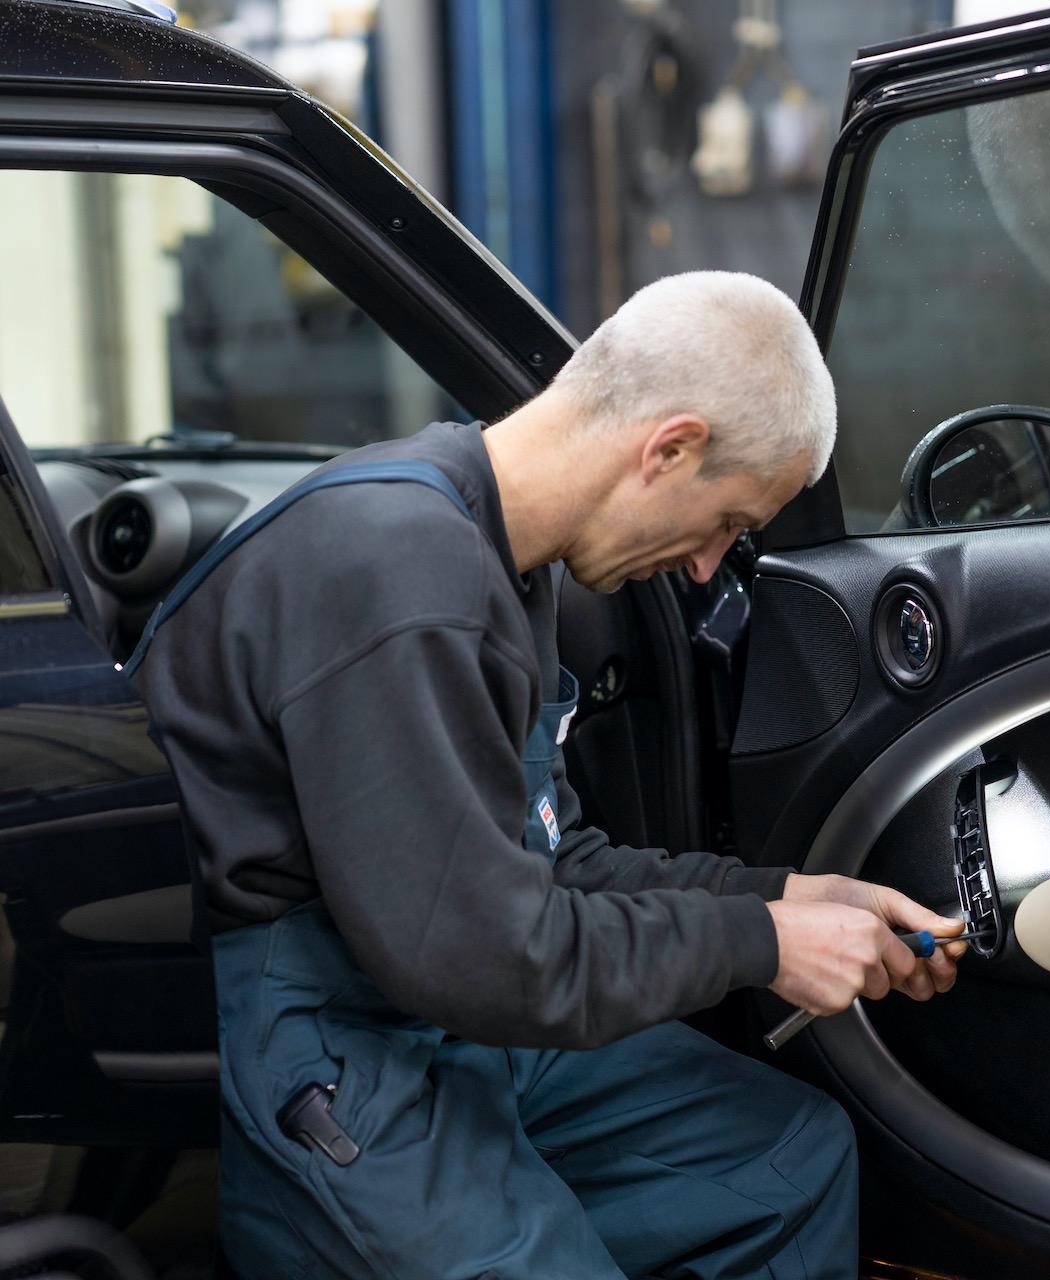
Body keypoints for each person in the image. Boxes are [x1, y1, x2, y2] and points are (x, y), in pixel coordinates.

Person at [133, 271, 966, 1280]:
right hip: (343, 1050)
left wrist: (787, 896)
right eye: (727, 522)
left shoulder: (500, 556)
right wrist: (762, 943)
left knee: (786, 1159)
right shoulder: (399, 574)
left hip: (463, 1011)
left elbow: (555, 860)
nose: (708, 568)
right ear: (670, 449)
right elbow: (482, 955)